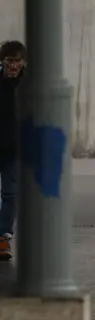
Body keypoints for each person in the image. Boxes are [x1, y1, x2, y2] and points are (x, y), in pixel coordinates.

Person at [0, 40, 25, 260]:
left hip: (14, 147)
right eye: (9, 61)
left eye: (17, 61)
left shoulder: (29, 83)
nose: (13, 66)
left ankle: (2, 238)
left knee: (10, 194)